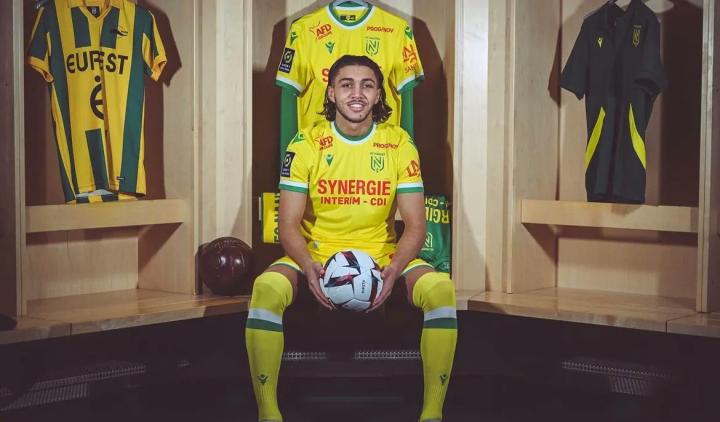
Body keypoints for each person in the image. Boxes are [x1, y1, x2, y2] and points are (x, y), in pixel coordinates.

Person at [245, 55, 457, 422]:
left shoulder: (398, 144)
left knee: (442, 291)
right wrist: (308, 266)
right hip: (315, 254)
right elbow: (288, 224)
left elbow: (415, 226)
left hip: (381, 255)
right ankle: (268, 414)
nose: (357, 94)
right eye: (347, 85)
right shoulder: (306, 143)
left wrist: (393, 269)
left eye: (367, 85)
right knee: (265, 289)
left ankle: (432, 414)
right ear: (331, 93)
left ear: (378, 95)